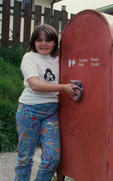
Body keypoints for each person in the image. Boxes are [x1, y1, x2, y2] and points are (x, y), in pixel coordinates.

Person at [15, 24, 79, 181]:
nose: (43, 44)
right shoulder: (29, 57)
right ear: (33, 42)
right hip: (29, 111)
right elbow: (35, 85)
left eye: (48, 40)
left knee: (52, 159)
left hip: (51, 112)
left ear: (55, 43)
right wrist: (63, 88)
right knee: (25, 159)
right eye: (39, 40)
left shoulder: (59, 59)